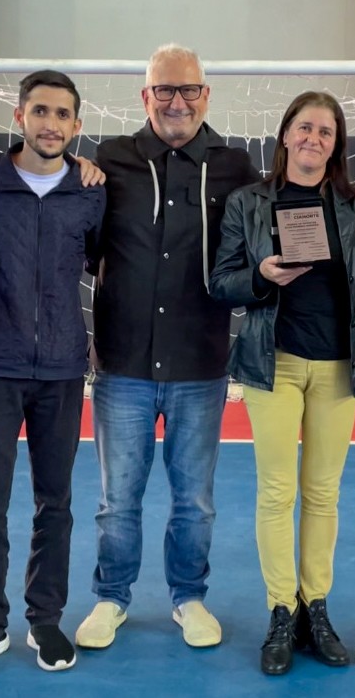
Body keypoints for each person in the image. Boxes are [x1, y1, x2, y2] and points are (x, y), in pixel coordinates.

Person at [75, 43, 259, 650]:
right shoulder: (109, 161)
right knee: (117, 500)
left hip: (200, 364)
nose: (177, 101)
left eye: (188, 90)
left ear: (206, 95)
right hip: (123, 363)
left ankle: (189, 597)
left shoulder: (235, 167)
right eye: (164, 90)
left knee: (195, 501)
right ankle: (111, 598)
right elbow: (85, 245)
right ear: (145, 96)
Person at [0, 71, 105, 680]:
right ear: (19, 117)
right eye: (40, 111)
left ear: (76, 126)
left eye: (62, 115)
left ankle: (45, 619)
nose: (51, 124)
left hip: (62, 370)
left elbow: (101, 261)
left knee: (54, 503)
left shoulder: (91, 191)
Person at [210, 91, 355, 675]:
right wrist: (261, 274)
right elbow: (220, 281)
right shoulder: (248, 202)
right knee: (277, 492)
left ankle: (315, 608)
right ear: (284, 134)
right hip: (270, 363)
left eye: (325, 131)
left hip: (336, 369)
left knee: (323, 494)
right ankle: (281, 610)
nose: (313, 139)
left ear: (337, 143)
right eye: (304, 128)